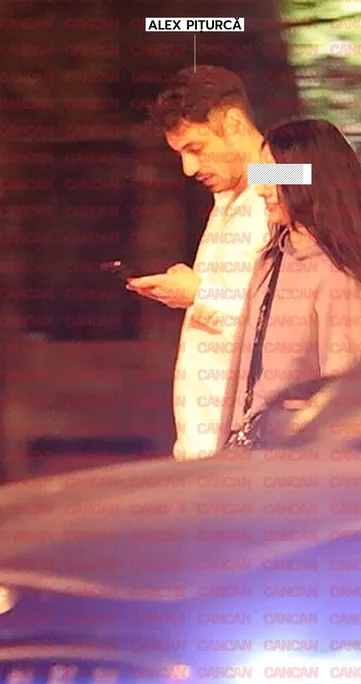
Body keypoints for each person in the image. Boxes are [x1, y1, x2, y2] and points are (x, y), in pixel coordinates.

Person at [223, 118, 361, 449]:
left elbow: (349, 400)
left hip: (296, 462)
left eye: (274, 174)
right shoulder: (271, 259)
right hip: (247, 457)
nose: (261, 188)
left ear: (309, 181)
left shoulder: (338, 279)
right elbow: (242, 381)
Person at [126, 66, 270, 461]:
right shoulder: (231, 195)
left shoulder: (287, 186)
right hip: (204, 445)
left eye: (197, 149)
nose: (189, 169)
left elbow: (284, 320)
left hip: (252, 449)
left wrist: (199, 295)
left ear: (234, 123)